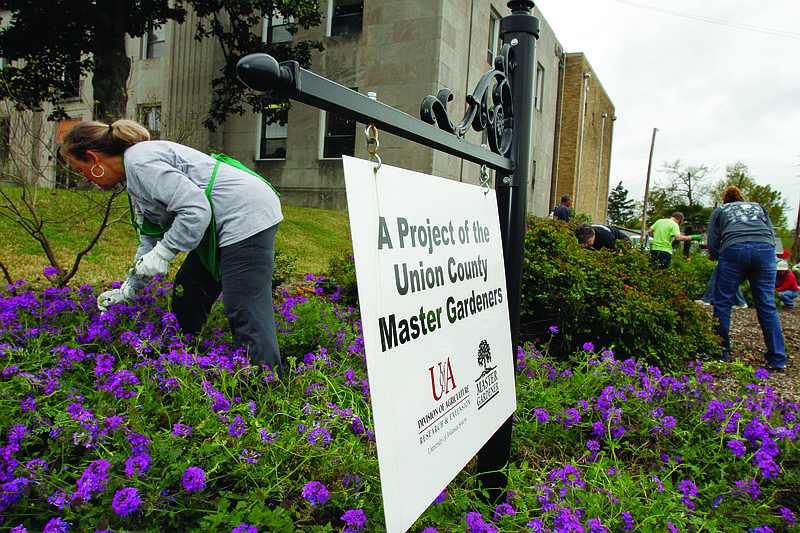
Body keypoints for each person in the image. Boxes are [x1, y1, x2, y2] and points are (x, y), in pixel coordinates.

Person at [61, 119, 284, 380]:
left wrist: (166, 252)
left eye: (81, 169)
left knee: (245, 308)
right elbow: (149, 238)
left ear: (93, 157)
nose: (86, 178)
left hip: (245, 214)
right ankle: (184, 366)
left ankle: (267, 391)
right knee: (188, 292)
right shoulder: (134, 175)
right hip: (223, 222)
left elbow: (195, 209)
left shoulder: (140, 162)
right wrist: (129, 288)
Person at [707, 186, 785, 370]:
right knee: (766, 304)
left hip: (733, 247)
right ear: (742, 199)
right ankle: (777, 358)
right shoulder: (759, 207)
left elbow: (712, 242)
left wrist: (724, 257)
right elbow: (772, 236)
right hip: (764, 250)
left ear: (725, 200)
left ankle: (721, 352)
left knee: (723, 302)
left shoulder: (720, 210)